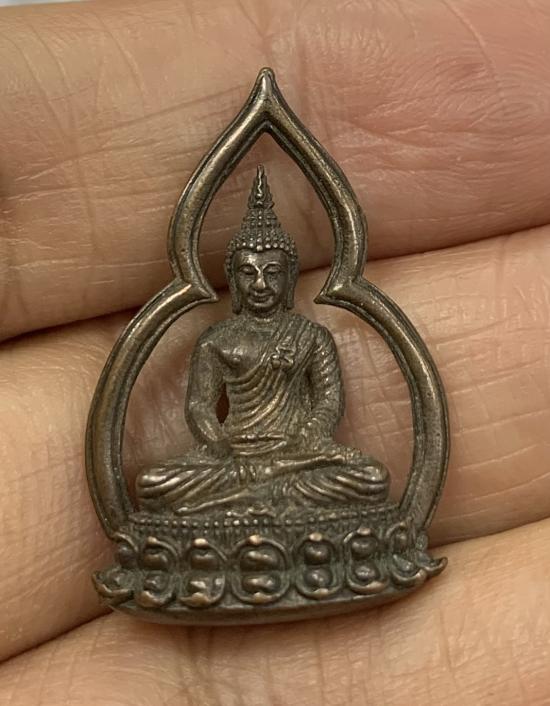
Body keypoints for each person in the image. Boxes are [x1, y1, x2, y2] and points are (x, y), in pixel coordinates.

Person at [136, 166, 389, 513]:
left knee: (371, 478)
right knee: (153, 484)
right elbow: (198, 406)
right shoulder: (216, 340)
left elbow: (329, 402)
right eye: (247, 272)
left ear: (290, 279)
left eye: (272, 273)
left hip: (297, 454)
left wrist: (304, 439)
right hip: (233, 456)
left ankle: (247, 497)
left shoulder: (312, 337)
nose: (259, 284)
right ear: (232, 279)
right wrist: (223, 447)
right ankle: (262, 494)